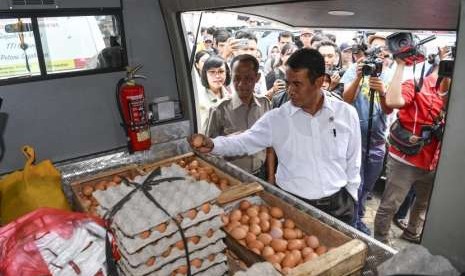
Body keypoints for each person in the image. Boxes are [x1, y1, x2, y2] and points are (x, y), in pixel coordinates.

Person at [191, 49, 361, 224]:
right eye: (288, 83)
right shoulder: (277, 118)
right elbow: (245, 141)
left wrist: (352, 195)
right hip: (292, 206)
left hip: (339, 205)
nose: (290, 90)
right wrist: (213, 144)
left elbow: (353, 161)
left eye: (297, 84)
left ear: (318, 82)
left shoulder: (346, 114)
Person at [374, 46, 451, 244]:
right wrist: (400, 65)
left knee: (423, 203)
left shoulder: (455, 95)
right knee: (390, 204)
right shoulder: (418, 83)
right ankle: (380, 243)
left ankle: (412, 232)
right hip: (405, 159)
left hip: (433, 161)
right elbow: (392, 101)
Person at [340, 32, 394, 235]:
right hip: (354, 139)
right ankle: (350, 219)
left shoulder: (390, 75)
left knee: (368, 184)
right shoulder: (356, 69)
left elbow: (388, 110)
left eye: (384, 52)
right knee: (355, 182)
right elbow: (346, 99)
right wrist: (358, 77)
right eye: (375, 50)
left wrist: (381, 92)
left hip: (377, 140)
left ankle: (359, 216)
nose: (380, 55)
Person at [204, 54, 271, 178]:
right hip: (231, 175)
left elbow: (270, 143)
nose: (241, 84)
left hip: (260, 173)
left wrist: (270, 178)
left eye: (248, 78)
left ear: (257, 77)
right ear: (231, 77)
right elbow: (207, 149)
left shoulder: (265, 104)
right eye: (237, 78)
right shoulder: (219, 109)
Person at [198, 55, 231, 133]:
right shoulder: (199, 99)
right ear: (205, 74)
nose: (217, 76)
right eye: (212, 72)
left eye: (221, 71)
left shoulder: (229, 94)